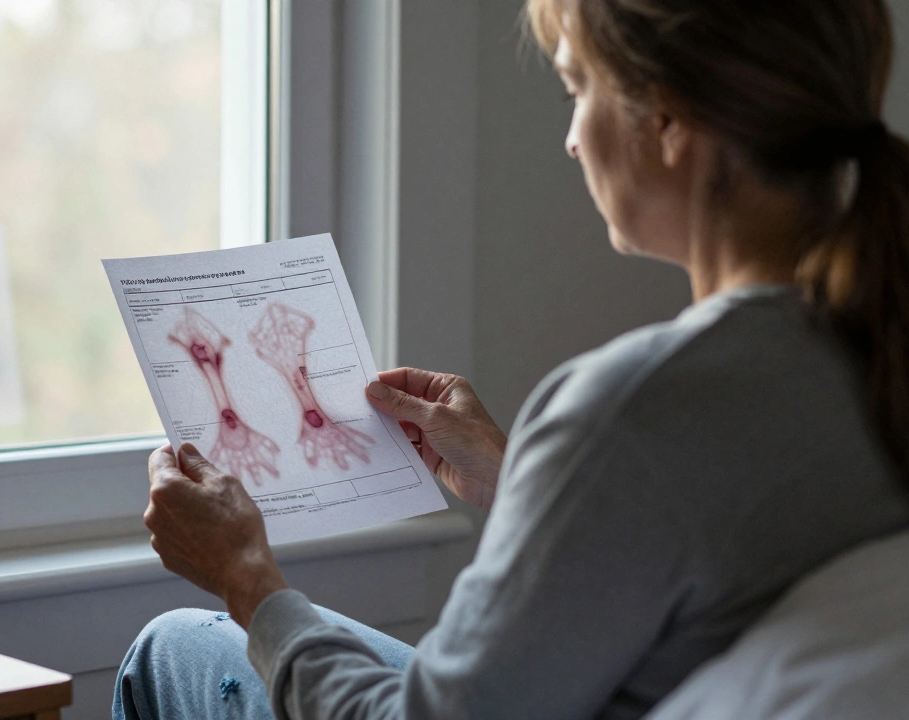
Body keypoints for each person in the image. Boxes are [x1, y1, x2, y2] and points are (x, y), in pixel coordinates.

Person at [113, 0, 909, 717]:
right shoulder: (870, 339)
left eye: (577, 91)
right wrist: (521, 473)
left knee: (171, 647)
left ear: (668, 121)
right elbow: (712, 530)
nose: (571, 139)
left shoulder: (641, 402)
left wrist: (247, 576)